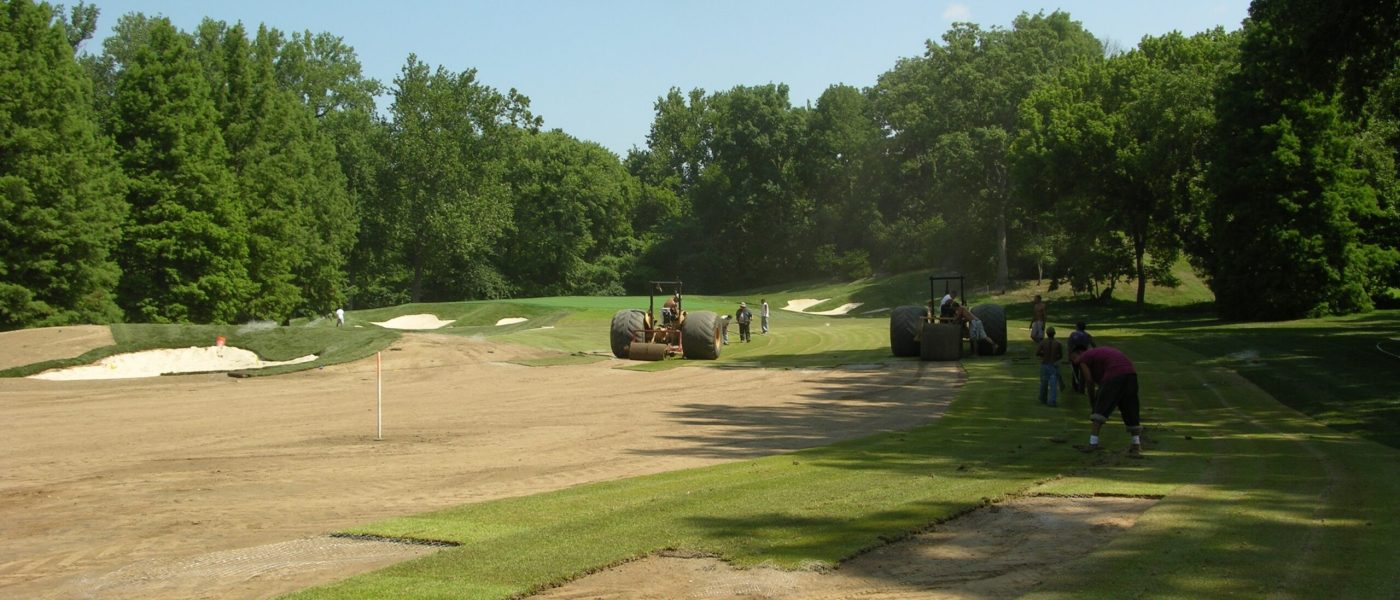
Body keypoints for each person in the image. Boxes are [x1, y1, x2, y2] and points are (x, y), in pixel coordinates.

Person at [1069, 345, 1144, 457]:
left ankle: (1093, 443)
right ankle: (1136, 444)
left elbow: (1089, 381)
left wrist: (1093, 401)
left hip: (1115, 375)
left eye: (1074, 358)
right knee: (1130, 408)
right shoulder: (1098, 353)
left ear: (1080, 352)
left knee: (1099, 412)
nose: (1075, 362)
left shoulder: (1084, 357)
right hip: (1131, 374)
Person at [1036, 326, 1064, 407]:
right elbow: (1060, 355)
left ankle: (1043, 398)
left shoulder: (1043, 343)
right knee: (1053, 384)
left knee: (1043, 383)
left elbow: (1037, 353)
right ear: (1054, 334)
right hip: (1053, 364)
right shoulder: (1058, 343)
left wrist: (1043, 355)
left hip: (1045, 364)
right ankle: (1052, 401)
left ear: (1047, 334)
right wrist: (1055, 358)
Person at [1068, 322, 1097, 393]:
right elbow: (1094, 345)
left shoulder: (1073, 334)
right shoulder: (1087, 335)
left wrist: (1069, 355)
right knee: (1083, 372)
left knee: (1075, 371)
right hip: (1084, 354)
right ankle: (1082, 388)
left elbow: (1070, 345)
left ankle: (1075, 387)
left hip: (1075, 354)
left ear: (1077, 327)